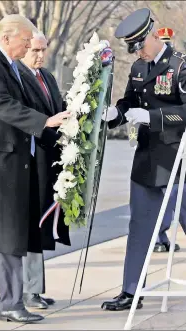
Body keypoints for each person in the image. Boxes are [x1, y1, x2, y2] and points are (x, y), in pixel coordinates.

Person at [0, 14, 70, 323]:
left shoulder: (3, 64)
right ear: (7, 38)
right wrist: (44, 121)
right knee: (6, 232)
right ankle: (10, 303)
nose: (27, 46)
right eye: (25, 41)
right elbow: (4, 106)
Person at [100, 8, 186, 311]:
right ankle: (131, 290)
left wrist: (149, 116)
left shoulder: (180, 67)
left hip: (178, 162)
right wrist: (115, 114)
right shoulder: (138, 68)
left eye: (141, 46)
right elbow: (129, 102)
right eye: (134, 48)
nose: (139, 53)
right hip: (148, 160)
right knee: (140, 226)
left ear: (152, 34)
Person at [17, 31, 70, 310]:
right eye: (35, 50)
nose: (40, 55)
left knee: (40, 225)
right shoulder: (17, 78)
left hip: (48, 161)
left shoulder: (46, 76)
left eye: (43, 50)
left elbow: (57, 109)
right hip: (28, 161)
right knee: (31, 226)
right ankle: (28, 290)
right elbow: (25, 117)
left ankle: (35, 289)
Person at [154, 26, 182, 253]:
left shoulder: (179, 66)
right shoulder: (147, 67)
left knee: (174, 194)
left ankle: (159, 236)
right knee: (171, 194)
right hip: (160, 140)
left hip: (176, 137)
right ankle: (158, 236)